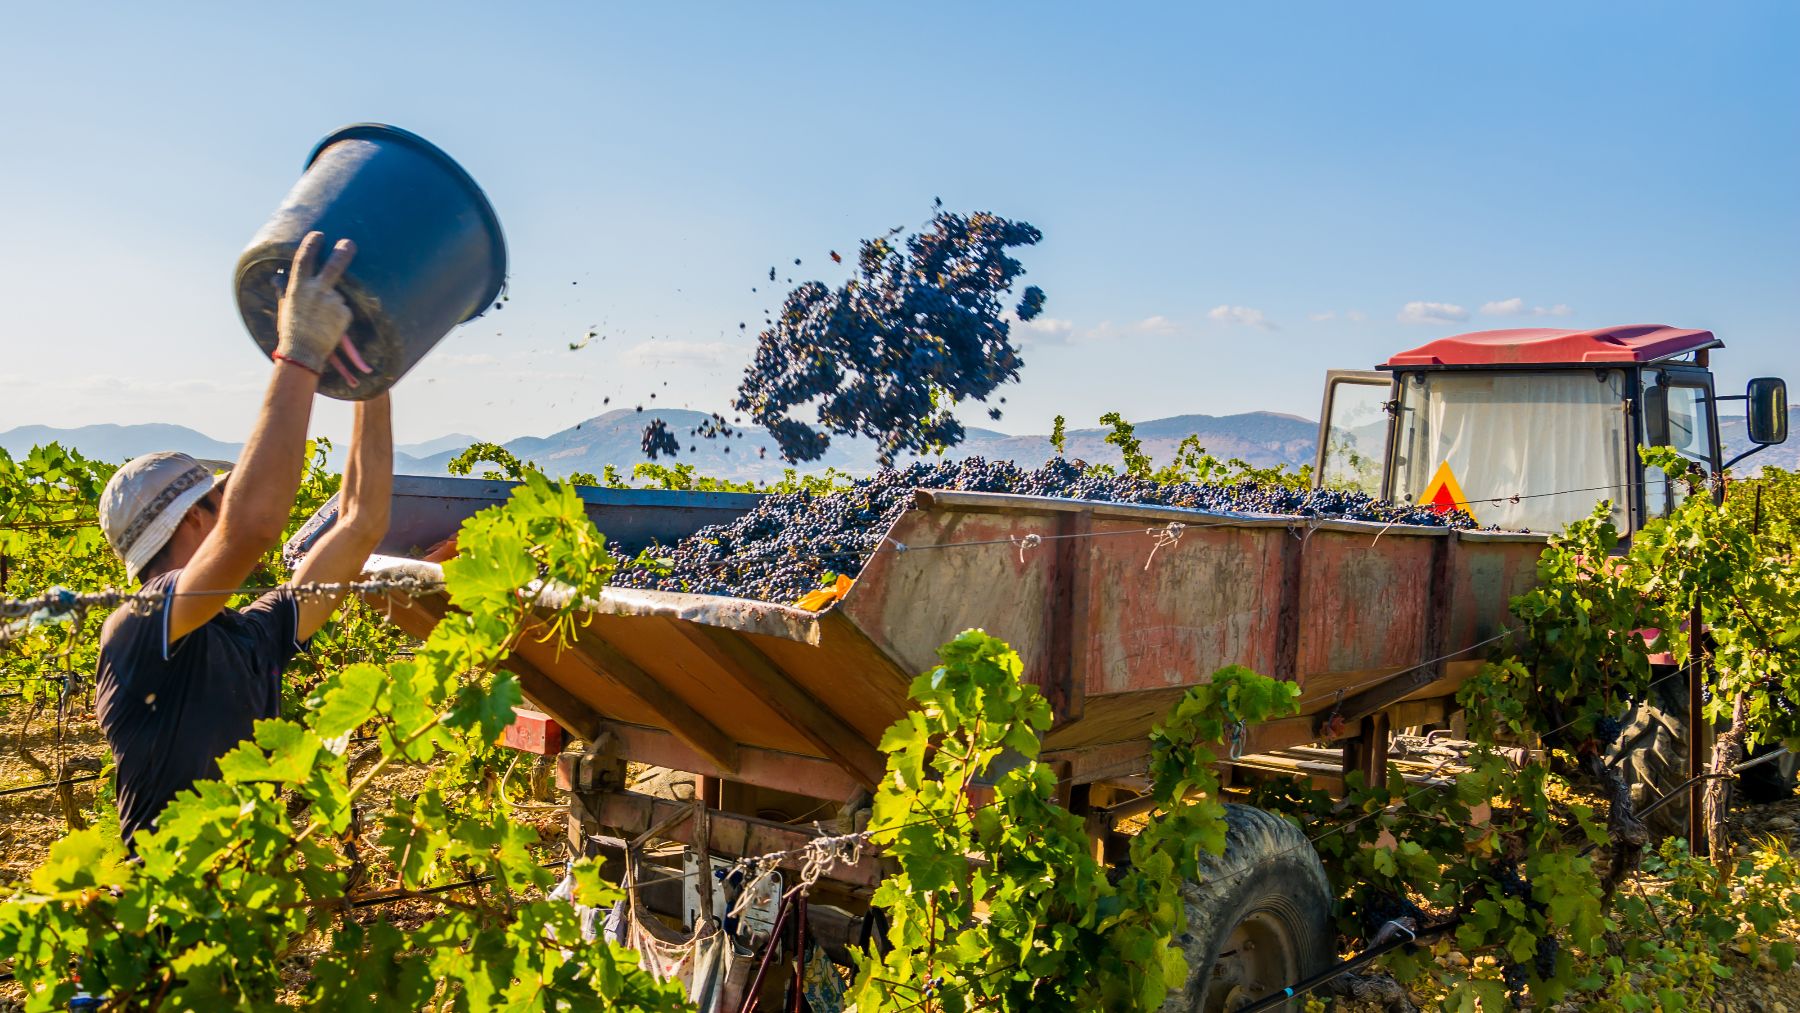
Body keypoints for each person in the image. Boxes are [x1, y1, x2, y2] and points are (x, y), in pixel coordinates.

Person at [94, 231, 393, 848]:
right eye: (217, 498)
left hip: (244, 923)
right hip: (169, 929)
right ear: (195, 521)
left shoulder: (250, 637)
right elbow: (254, 528)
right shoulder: (140, 628)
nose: (231, 504)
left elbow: (361, 521)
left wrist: (374, 378)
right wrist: (301, 353)